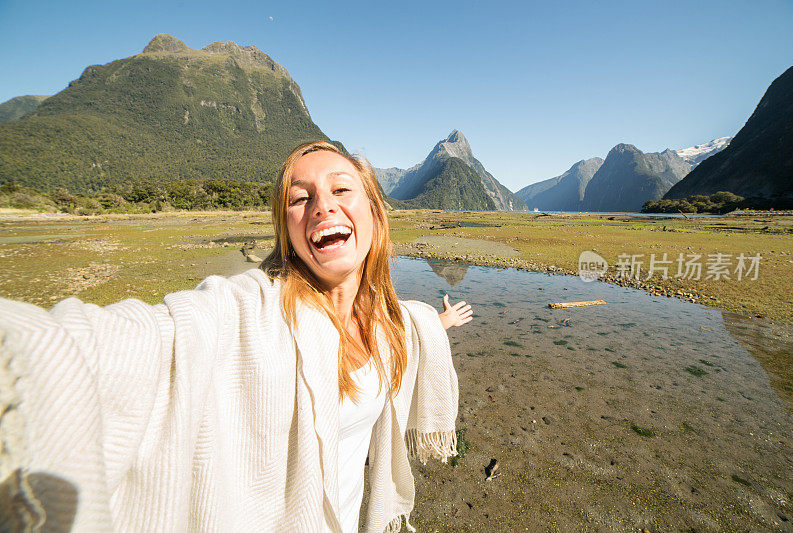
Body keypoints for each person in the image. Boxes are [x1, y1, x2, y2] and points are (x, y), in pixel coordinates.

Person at [0, 141, 473, 532]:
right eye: (299, 197)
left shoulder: (384, 321)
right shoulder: (251, 312)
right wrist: (25, 358)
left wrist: (439, 324)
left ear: (374, 212)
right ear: (287, 230)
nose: (322, 205)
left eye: (340, 188)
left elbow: (410, 325)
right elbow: (140, 339)